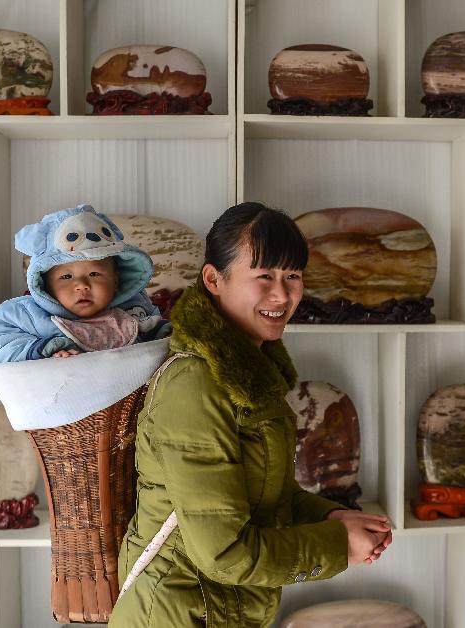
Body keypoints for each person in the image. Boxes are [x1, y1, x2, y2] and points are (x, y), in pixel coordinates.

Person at [109, 202, 393, 627]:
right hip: (176, 614)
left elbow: (262, 496)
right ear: (213, 279)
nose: (282, 295)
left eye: (292, 276)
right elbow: (224, 555)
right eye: (264, 276)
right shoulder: (196, 385)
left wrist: (329, 517)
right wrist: (337, 546)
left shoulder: (251, 376)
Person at [0, 204, 170, 362]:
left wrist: (166, 334)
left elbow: (152, 331)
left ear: (115, 280)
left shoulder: (133, 308)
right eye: (66, 277)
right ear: (45, 284)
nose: (82, 285)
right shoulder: (26, 314)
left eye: (94, 273)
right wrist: (40, 349)